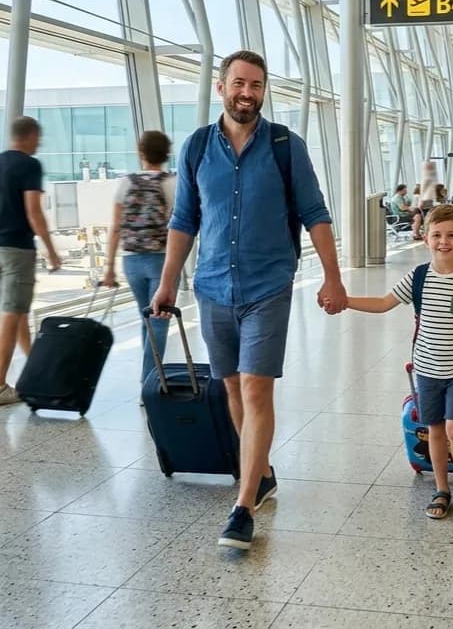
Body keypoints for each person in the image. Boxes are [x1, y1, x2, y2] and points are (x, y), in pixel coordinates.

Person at [150, 50, 346, 550]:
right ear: (221, 87)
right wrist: (168, 282)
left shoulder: (285, 146)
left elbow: (315, 213)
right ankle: (258, 471)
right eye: (239, 83)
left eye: (256, 86)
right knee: (232, 390)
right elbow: (184, 221)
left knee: (256, 389)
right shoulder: (197, 147)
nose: (247, 93)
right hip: (213, 286)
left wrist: (333, 277)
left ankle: (243, 505)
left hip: (268, 285)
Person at [340, 204, 453, 519]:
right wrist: (345, 300)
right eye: (437, 235)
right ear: (425, 238)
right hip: (427, 368)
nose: (444, 241)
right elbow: (384, 303)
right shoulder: (418, 277)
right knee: (435, 430)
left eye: (451, 235)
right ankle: (441, 489)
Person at [0, 116, 62, 405]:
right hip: (17, 249)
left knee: (19, 311)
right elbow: (33, 212)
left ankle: (34, 371)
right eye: (38, 138)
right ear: (29, 136)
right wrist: (51, 249)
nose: (39, 143)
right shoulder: (29, 165)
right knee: (11, 315)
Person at [102, 131, 177, 396]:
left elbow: (115, 228)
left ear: (141, 153)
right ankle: (149, 384)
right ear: (166, 154)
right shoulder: (172, 184)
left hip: (131, 260)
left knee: (147, 319)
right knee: (158, 321)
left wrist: (109, 267)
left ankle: (148, 380)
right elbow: (181, 227)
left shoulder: (125, 184)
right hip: (162, 260)